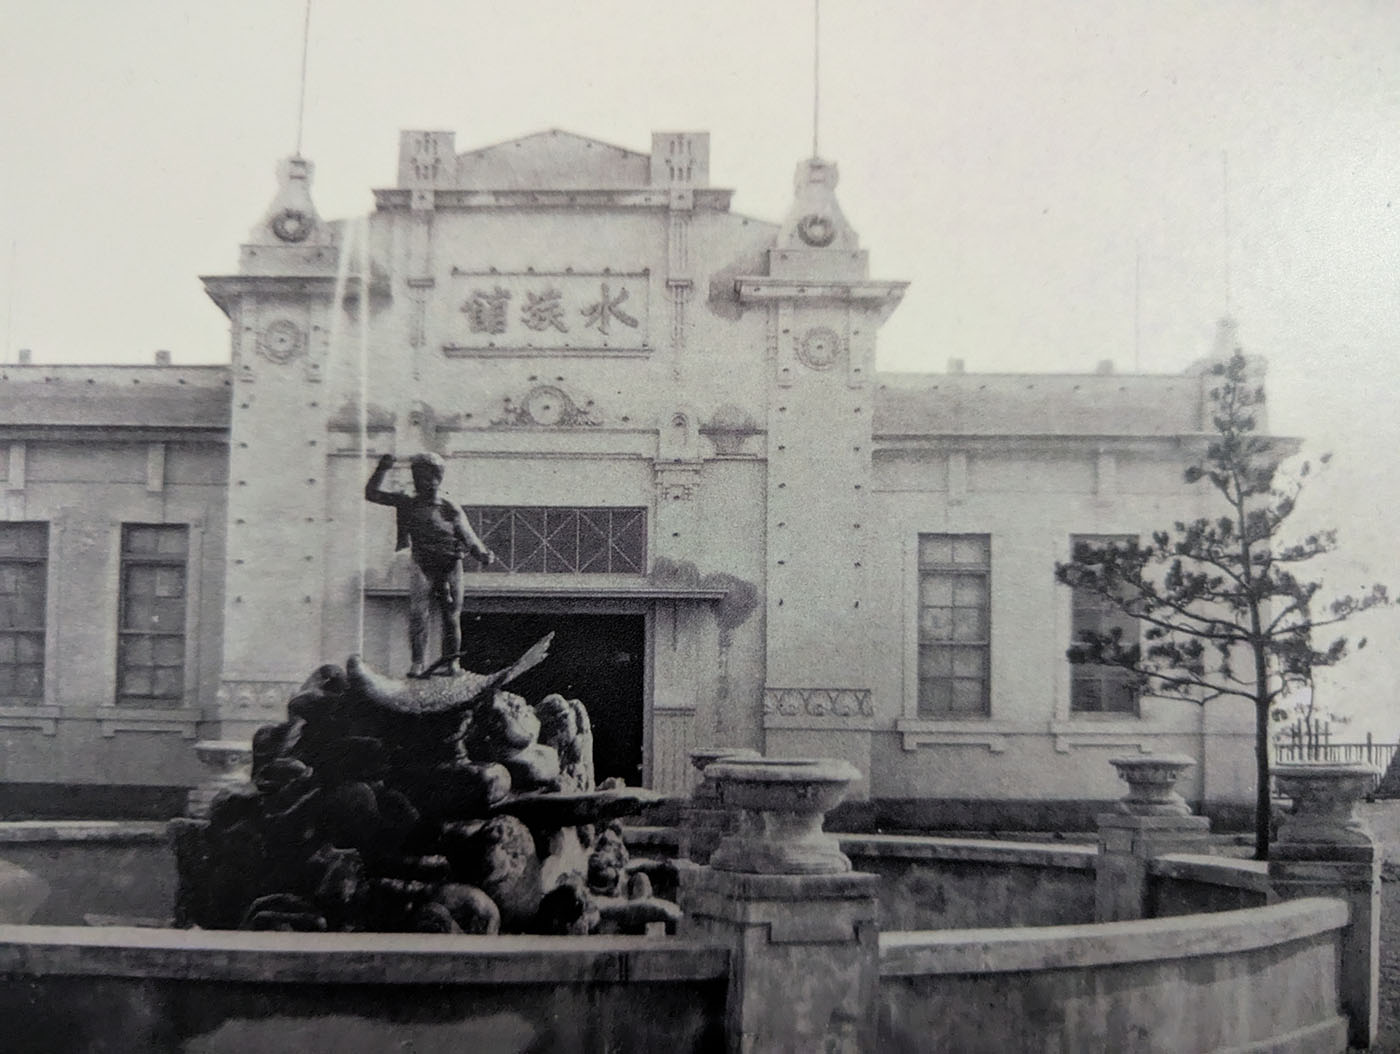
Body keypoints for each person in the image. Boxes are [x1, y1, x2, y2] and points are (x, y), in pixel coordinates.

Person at [364, 452, 494, 677]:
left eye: (427, 477)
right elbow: (372, 494)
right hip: (423, 563)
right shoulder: (407, 501)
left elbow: (468, 535)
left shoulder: (448, 506)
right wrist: (382, 469)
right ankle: (417, 662)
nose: (422, 482)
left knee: (451, 614)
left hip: (450, 563)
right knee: (417, 613)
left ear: (438, 478)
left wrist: (482, 553)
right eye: (418, 477)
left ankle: (452, 663)